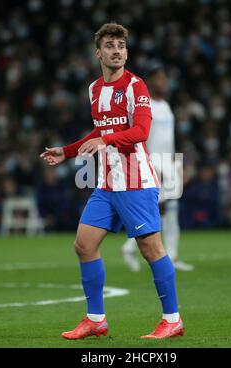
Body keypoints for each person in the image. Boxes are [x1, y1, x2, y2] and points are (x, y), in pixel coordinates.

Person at [40, 23, 184, 340]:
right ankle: (95, 319)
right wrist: (67, 151)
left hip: (135, 181)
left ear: (126, 52)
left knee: (151, 250)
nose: (116, 50)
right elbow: (99, 131)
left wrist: (106, 141)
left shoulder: (136, 86)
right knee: (84, 244)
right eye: (109, 45)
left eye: (121, 45)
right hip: (106, 183)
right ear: (99, 53)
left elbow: (140, 132)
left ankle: (172, 320)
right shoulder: (94, 89)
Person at [122, 66, 194, 272]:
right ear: (150, 82)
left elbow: (170, 140)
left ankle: (171, 254)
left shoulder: (166, 106)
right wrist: (151, 164)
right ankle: (132, 246)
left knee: (170, 209)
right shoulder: (144, 106)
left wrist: (177, 166)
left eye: (165, 78)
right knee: (160, 208)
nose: (164, 82)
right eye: (160, 79)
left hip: (168, 163)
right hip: (152, 162)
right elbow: (141, 138)